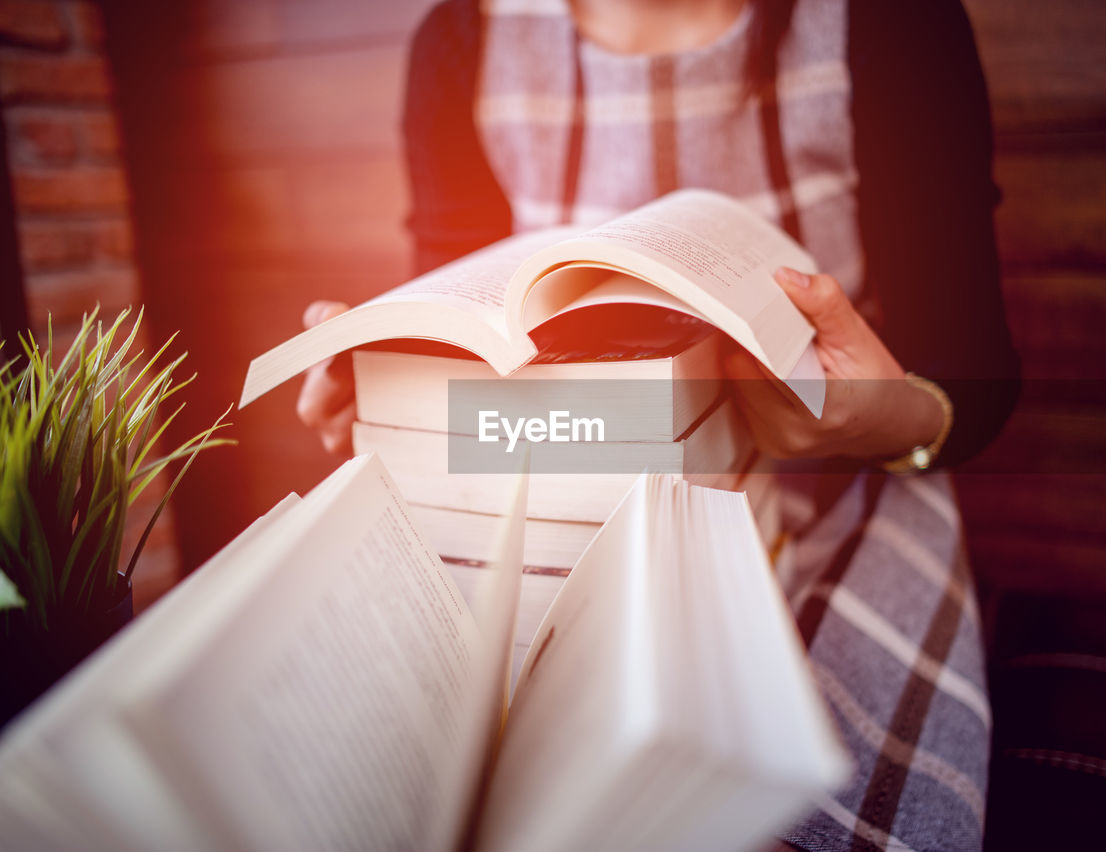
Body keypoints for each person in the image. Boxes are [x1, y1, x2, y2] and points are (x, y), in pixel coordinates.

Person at [298, 1, 1020, 848]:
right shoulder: (460, 43)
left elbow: (975, 377)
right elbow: (466, 309)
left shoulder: (893, 23)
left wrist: (875, 413)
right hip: (563, 513)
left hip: (843, 496)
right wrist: (402, 395)